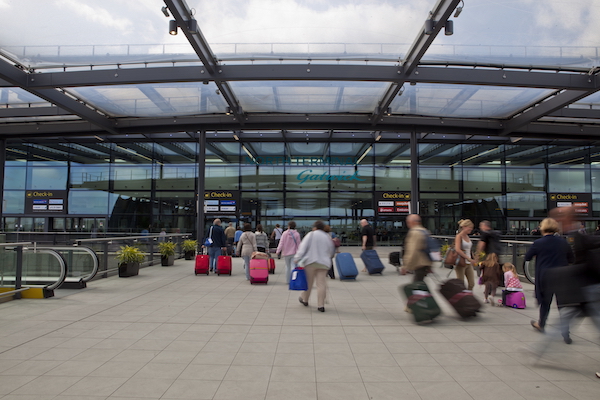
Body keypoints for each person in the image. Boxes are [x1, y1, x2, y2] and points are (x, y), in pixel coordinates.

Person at [525, 217, 574, 333]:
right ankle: (565, 331)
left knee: (546, 303)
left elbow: (527, 257)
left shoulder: (538, 243)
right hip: (562, 275)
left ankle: (541, 324)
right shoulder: (563, 242)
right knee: (562, 304)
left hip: (545, 276)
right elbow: (571, 259)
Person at [294, 220, 335, 312]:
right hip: (324, 263)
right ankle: (321, 305)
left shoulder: (311, 235)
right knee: (321, 284)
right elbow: (331, 250)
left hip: (311, 262)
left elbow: (302, 247)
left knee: (309, 282)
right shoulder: (327, 236)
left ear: (315, 227)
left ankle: (305, 300)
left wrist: (297, 257)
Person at [402, 214, 432, 282]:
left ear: (413, 222)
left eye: (408, 222)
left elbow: (412, 250)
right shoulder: (425, 231)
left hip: (419, 263)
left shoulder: (414, 232)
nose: (407, 224)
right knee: (420, 283)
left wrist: (406, 266)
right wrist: (430, 265)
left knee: (416, 286)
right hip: (426, 262)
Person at [454, 219, 477, 290]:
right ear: (464, 227)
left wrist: (473, 258)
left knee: (471, 283)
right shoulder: (459, 236)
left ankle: (468, 296)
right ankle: (460, 298)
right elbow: (458, 249)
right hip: (461, 262)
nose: (471, 229)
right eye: (469, 227)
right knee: (460, 283)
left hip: (468, 263)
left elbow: (469, 249)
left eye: (471, 228)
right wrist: (468, 258)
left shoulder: (468, 237)